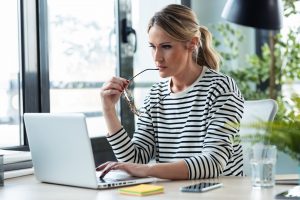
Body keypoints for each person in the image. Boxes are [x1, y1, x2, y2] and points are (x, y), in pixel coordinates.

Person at [97, 4, 244, 180]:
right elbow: (135, 159)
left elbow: (212, 162)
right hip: (173, 193)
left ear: (192, 44)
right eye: (152, 46)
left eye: (166, 46)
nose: (157, 57)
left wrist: (149, 170)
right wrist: (109, 111)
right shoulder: (155, 96)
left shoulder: (221, 89)